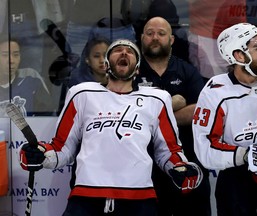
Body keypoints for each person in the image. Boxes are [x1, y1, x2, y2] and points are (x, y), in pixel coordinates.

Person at [18, 39, 203, 216]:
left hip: (138, 200)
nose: (124, 52)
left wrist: (181, 168)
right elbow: (61, 147)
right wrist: (41, 153)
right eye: (117, 50)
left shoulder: (157, 99)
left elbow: (169, 150)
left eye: (130, 52)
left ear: (137, 68)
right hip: (86, 199)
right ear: (106, 65)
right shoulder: (82, 93)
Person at [192, 22, 257, 216]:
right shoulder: (215, 93)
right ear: (238, 56)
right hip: (236, 181)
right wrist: (248, 155)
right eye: (256, 47)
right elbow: (205, 149)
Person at [134, 17, 211, 216]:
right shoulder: (130, 72)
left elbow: (200, 110)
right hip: (142, 167)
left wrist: (155, 118)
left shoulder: (186, 70)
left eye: (161, 33)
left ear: (172, 39)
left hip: (187, 161)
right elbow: (125, 110)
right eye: (149, 33)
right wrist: (173, 103)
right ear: (142, 38)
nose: (155, 38)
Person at [0, 36, 53, 116]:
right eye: (5, 55)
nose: (11, 61)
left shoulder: (31, 79)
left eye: (16, 55)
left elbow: (47, 116)